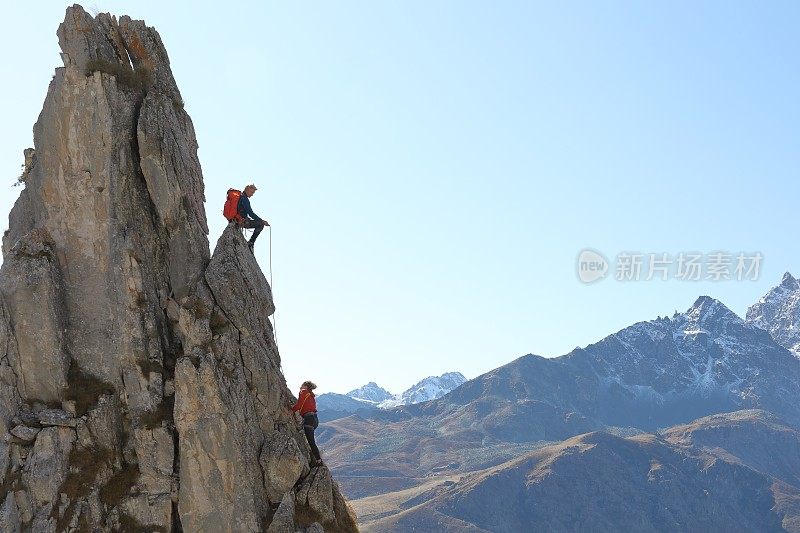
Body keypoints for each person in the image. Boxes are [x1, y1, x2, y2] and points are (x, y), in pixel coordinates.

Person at [291, 381, 322, 466]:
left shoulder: (303, 392)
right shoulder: (311, 395)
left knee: (311, 441)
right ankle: (315, 459)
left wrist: (291, 410)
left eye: (302, 385)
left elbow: (299, 404)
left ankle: (319, 461)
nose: (300, 386)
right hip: (315, 419)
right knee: (310, 440)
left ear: (306, 386)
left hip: (308, 419)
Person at [237, 184, 269, 251]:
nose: (252, 194)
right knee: (260, 224)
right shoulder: (244, 199)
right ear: (247, 190)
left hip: (237, 220)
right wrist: (262, 221)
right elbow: (251, 213)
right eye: (251, 192)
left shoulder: (241, 197)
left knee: (259, 223)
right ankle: (251, 243)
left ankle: (251, 242)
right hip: (241, 221)